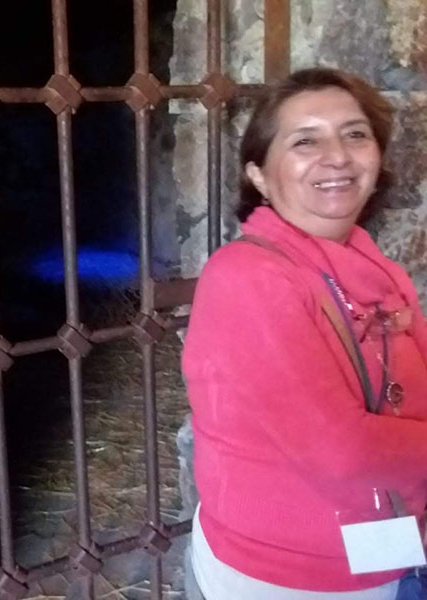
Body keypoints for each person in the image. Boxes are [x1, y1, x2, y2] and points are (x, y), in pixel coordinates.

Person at [181, 67, 427, 599]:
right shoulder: (246, 278)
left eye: (355, 134)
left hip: (390, 548)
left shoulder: (373, 266)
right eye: (305, 141)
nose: (337, 156)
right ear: (260, 176)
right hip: (291, 578)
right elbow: (341, 451)